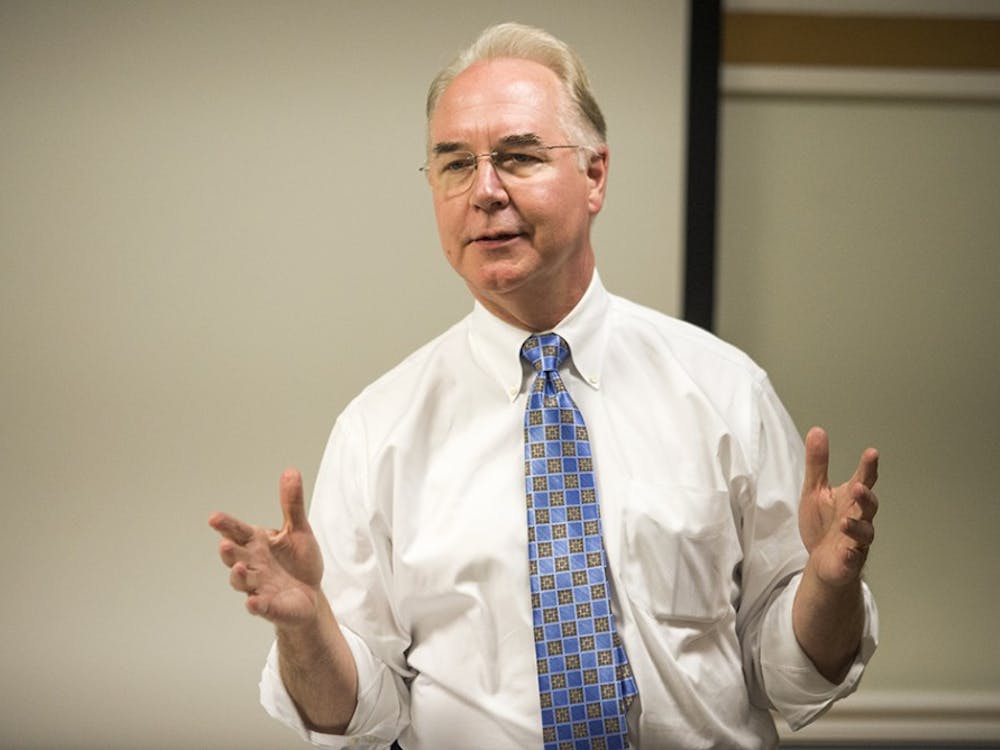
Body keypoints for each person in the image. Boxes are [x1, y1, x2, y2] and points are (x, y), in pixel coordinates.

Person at [209, 22, 879, 750]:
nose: (485, 191)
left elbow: (794, 678)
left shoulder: (724, 391)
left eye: (519, 156)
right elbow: (357, 720)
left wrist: (828, 589)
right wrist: (307, 628)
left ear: (595, 175)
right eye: (455, 165)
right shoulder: (379, 430)